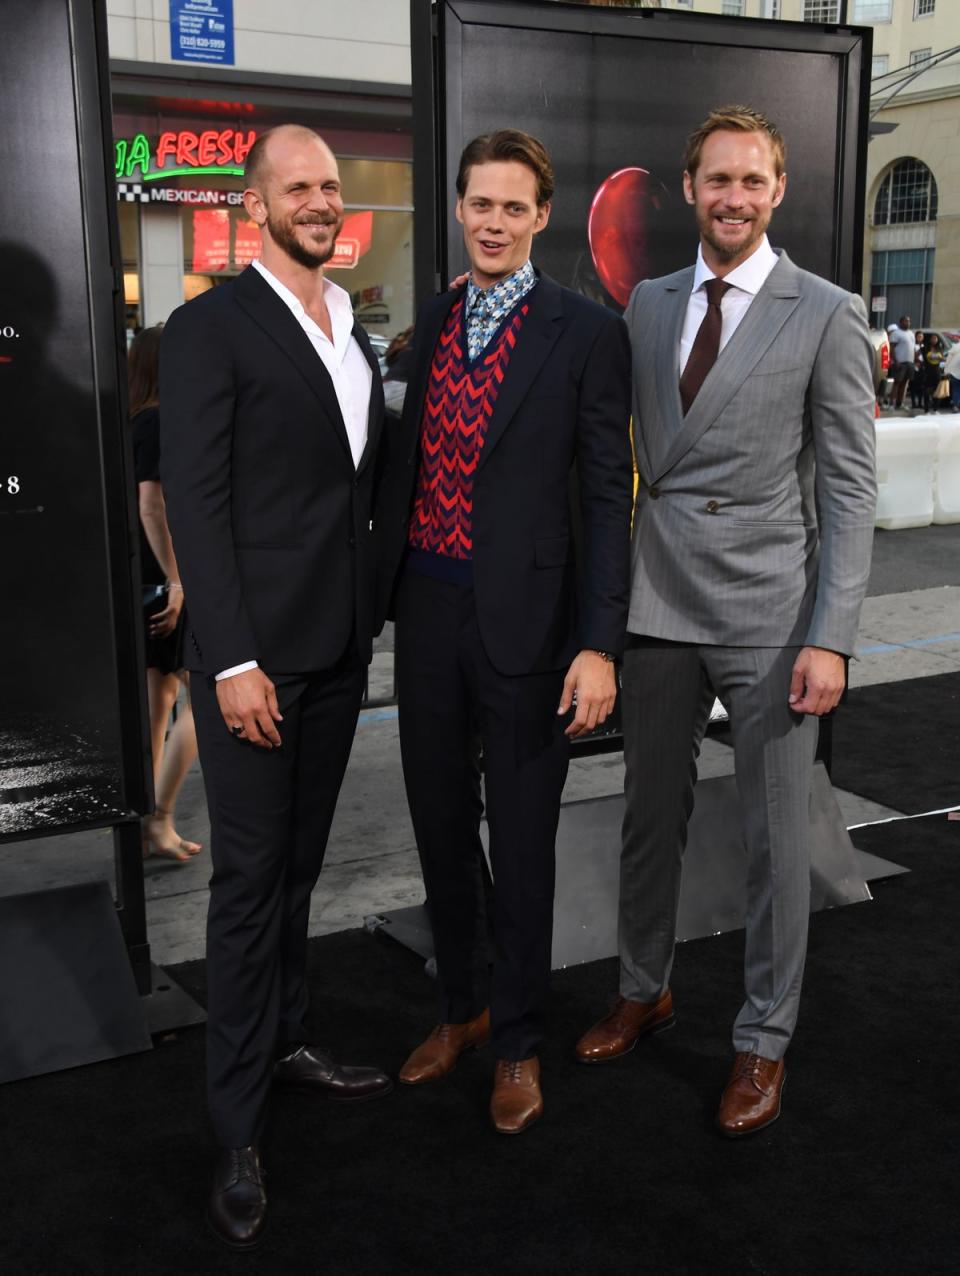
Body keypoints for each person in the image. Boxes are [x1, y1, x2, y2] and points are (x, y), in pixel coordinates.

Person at [575, 105, 877, 1137]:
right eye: (717, 181)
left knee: (773, 837)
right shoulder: (649, 304)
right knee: (648, 818)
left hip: (772, 613)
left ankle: (762, 1040)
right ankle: (642, 986)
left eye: (752, 181)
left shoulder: (827, 312)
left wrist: (831, 633)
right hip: (659, 600)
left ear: (778, 190)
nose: (734, 198)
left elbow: (847, 488)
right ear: (690, 186)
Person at [160, 124, 393, 1250]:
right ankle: (237, 1124)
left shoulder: (354, 329)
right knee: (249, 887)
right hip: (256, 663)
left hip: (339, 653)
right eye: (296, 187)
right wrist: (235, 657)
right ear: (255, 207)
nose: (318, 201)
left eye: (330, 187)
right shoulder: (209, 326)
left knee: (297, 867)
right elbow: (197, 503)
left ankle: (289, 1040)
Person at [378, 129, 633, 1135]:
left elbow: (607, 498)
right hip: (428, 610)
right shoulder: (431, 321)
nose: (492, 221)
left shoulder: (582, 331)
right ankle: (463, 1006)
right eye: (478, 203)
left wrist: (599, 642)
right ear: (460, 208)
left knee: (521, 843)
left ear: (542, 216)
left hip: (533, 627)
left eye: (511, 206)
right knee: (439, 825)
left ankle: (519, 1042)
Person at [127, 324, 202, 863]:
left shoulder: (134, 419)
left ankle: (148, 820)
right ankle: (158, 817)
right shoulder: (156, 421)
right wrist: (177, 582)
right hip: (165, 581)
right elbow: (151, 507)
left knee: (163, 702)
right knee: (194, 701)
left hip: (151, 579)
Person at [887, 314, 915, 408]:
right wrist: (895, 361)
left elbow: (913, 348)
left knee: (904, 383)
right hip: (900, 362)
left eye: (909, 321)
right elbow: (892, 348)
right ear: (901, 322)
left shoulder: (911, 333)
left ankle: (900, 403)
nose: (908, 323)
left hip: (909, 362)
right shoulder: (896, 333)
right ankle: (891, 403)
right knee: (897, 383)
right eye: (906, 321)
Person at [921, 331, 945, 412]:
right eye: (933, 338)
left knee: (937, 391)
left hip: (936, 371)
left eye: (936, 338)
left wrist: (938, 357)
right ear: (930, 339)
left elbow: (942, 358)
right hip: (927, 371)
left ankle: (935, 409)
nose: (934, 340)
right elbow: (928, 357)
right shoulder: (925, 348)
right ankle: (926, 409)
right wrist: (937, 357)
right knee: (927, 391)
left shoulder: (940, 348)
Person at [944, 339, 960, 413]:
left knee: (956, 389)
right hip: (955, 371)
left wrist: (946, 370)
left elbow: (948, 359)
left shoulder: (955, 347)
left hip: (954, 372)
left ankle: (955, 405)